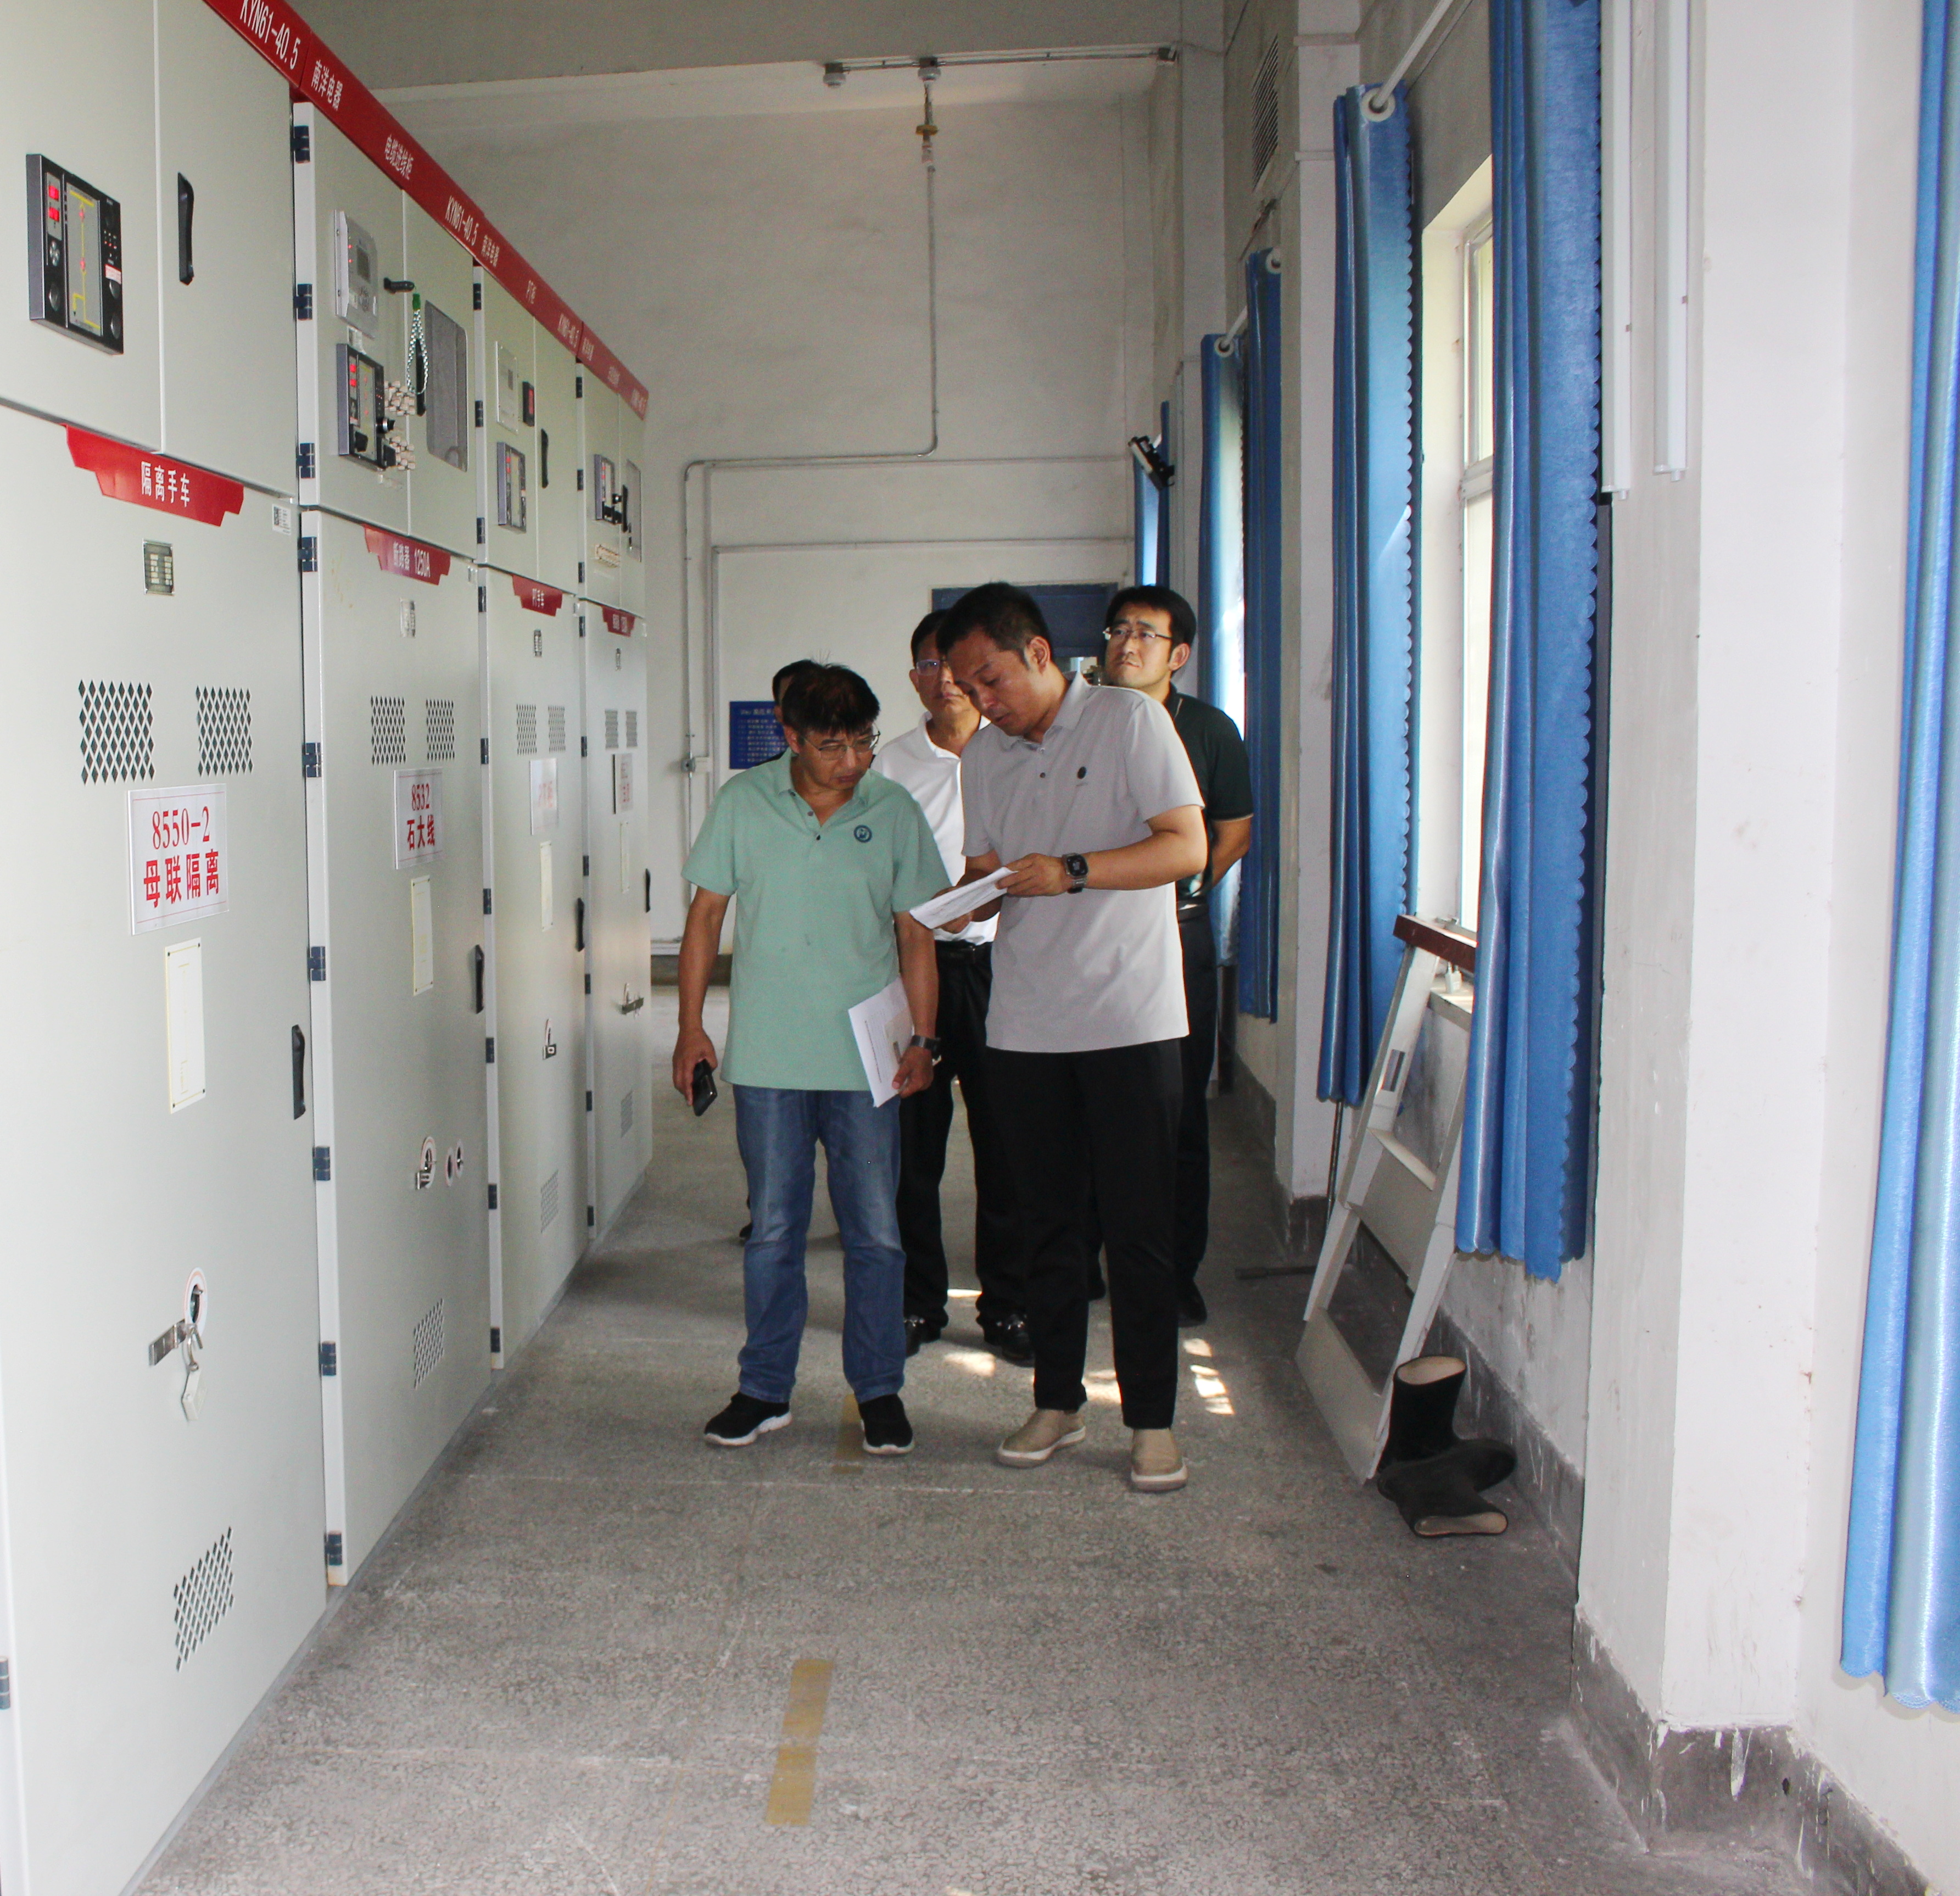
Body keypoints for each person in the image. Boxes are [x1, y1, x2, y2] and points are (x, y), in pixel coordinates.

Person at [939, 583, 1207, 1493]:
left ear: (1039, 653)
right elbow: (989, 867)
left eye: (992, 679)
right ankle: (1056, 1401)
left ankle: (1152, 1421)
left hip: (1129, 1016)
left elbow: (1185, 848)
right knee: (1045, 1226)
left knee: (1138, 1228)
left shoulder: (1129, 722)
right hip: (1025, 1022)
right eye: (968, 689)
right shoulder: (984, 756)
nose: (983, 701)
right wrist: (963, 902)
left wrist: (1076, 871)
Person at [672, 665, 950, 1455]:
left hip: (866, 1061)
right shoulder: (742, 803)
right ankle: (763, 1389)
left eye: (863, 741)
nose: (852, 761)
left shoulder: (892, 809)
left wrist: (924, 1039)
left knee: (876, 1234)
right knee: (773, 1233)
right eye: (833, 746)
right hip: (769, 1058)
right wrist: (690, 1028)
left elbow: (916, 934)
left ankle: (879, 1390)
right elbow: (704, 919)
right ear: (790, 736)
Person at [871, 611, 1030, 1365]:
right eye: (928, 666)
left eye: (955, 666)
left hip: (1004, 970)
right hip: (916, 969)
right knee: (912, 1151)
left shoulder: (1018, 752)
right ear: (915, 679)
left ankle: (1007, 1306)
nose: (945, 680)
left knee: (1008, 1145)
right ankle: (916, 1302)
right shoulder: (890, 767)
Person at [1099, 584, 1253, 1327]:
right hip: (1092, 934)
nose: (1127, 645)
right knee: (1091, 1099)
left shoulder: (1209, 730)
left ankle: (1175, 1270)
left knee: (1178, 1108)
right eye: (1117, 631)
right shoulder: (1079, 724)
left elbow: (1233, 832)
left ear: (1179, 654)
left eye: (1146, 634)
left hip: (1177, 933)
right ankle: (1090, 1251)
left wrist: (1179, 890)